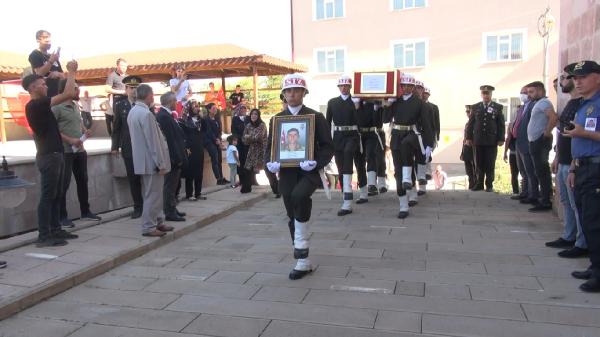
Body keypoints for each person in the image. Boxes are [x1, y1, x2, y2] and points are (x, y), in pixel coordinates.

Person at [266, 73, 334, 280]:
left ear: (304, 93)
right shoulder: (276, 119)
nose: (292, 94)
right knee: (290, 208)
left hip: (309, 171)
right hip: (286, 173)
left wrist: (317, 162)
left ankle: (302, 256)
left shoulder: (316, 117)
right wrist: (270, 163)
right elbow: (270, 148)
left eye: (296, 90)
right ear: (283, 95)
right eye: (288, 91)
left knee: (299, 197)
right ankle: (302, 258)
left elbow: (327, 146)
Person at [23, 60, 80, 247]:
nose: (45, 86)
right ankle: (44, 235)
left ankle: (55, 229)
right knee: (48, 195)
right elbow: (69, 93)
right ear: (32, 87)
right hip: (48, 156)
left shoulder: (42, 105)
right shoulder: (35, 105)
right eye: (42, 84)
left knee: (56, 194)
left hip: (55, 154)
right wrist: (71, 72)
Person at [563, 60, 600, 292]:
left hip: (597, 169)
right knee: (587, 221)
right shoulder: (583, 104)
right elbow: (578, 141)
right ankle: (595, 266)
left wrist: (583, 132)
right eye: (575, 78)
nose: (577, 81)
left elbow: (585, 135)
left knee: (595, 223)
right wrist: (574, 168)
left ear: (597, 77)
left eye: (583, 77)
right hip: (583, 168)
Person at [545, 72, 587, 258]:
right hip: (563, 160)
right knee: (565, 202)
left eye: (565, 78)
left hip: (574, 161)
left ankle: (582, 243)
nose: (561, 82)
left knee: (576, 204)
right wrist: (556, 157)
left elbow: (580, 138)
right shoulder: (571, 103)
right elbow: (562, 134)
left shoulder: (583, 104)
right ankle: (569, 236)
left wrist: (572, 163)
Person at [383, 73, 434, 219]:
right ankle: (403, 206)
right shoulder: (396, 101)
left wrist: (429, 144)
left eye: (409, 86)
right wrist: (388, 104)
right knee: (398, 171)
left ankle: (408, 179)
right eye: (403, 86)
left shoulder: (420, 104)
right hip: (397, 135)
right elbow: (386, 119)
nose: (406, 88)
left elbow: (427, 125)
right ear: (400, 87)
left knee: (406, 146)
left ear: (413, 88)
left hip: (412, 134)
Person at [52, 79, 101, 228]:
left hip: (80, 150)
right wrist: (70, 140)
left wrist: (84, 131)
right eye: (75, 88)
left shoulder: (75, 106)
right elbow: (53, 131)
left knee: (83, 180)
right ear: (66, 89)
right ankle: (62, 216)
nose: (78, 91)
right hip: (65, 152)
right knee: (64, 184)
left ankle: (85, 211)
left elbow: (78, 123)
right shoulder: (56, 108)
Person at [127, 84, 173, 237]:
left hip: (143, 161)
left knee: (154, 193)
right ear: (148, 95)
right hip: (151, 162)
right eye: (152, 95)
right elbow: (153, 142)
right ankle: (148, 226)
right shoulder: (145, 114)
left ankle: (158, 221)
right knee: (152, 195)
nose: (153, 98)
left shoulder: (133, 112)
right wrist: (160, 163)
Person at [326, 75, 360, 215]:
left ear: (350, 87)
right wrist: (326, 140)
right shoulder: (333, 102)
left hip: (352, 136)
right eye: (342, 86)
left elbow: (361, 121)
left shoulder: (356, 101)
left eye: (346, 86)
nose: (344, 88)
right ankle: (345, 192)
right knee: (340, 166)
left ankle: (347, 201)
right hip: (338, 137)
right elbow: (328, 122)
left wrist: (357, 107)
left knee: (347, 160)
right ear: (339, 87)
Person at [111, 75, 144, 218]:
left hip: (143, 147)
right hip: (129, 147)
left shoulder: (143, 105)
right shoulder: (120, 106)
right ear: (126, 89)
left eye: (136, 88)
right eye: (131, 88)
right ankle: (138, 207)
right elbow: (117, 127)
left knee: (146, 177)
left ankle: (149, 206)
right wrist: (114, 146)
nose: (134, 91)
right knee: (133, 178)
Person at [465, 85, 505, 192]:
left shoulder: (498, 107)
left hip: (491, 141)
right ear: (481, 94)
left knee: (490, 163)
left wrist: (501, 138)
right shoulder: (476, 107)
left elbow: (501, 124)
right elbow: (471, 123)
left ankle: (489, 185)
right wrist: (468, 137)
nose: (486, 95)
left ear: (491, 95)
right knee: (479, 162)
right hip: (478, 140)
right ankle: (479, 183)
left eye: (488, 94)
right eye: (484, 93)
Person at [155, 92, 188, 222]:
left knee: (174, 185)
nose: (177, 103)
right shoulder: (163, 116)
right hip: (171, 157)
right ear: (170, 101)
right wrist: (176, 158)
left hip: (175, 155)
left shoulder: (168, 115)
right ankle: (169, 211)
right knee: (170, 185)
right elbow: (169, 140)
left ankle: (173, 208)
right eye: (175, 100)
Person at [526, 81, 557, 212]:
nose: (529, 95)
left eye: (531, 92)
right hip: (535, 141)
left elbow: (553, 118)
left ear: (540, 90)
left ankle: (545, 201)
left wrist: (547, 131)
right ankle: (543, 198)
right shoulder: (538, 103)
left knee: (542, 171)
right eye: (528, 92)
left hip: (540, 141)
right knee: (539, 171)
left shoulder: (544, 102)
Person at [355, 99, 385, 198]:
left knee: (371, 155)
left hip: (372, 133)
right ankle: (363, 189)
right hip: (359, 135)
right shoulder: (356, 103)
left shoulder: (375, 103)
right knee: (359, 162)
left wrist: (376, 108)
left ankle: (372, 184)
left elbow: (378, 122)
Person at [180, 100, 207, 201]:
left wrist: (202, 118)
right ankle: (189, 194)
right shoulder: (185, 120)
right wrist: (186, 147)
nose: (197, 108)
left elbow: (205, 131)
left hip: (199, 147)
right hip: (190, 148)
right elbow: (183, 135)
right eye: (194, 106)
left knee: (199, 171)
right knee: (190, 172)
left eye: (197, 106)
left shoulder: (201, 120)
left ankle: (198, 193)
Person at [28, 30, 64, 98]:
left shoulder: (52, 56)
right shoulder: (35, 54)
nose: (49, 41)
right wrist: (51, 61)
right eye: (45, 38)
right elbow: (39, 73)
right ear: (38, 40)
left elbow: (63, 75)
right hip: (45, 96)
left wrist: (58, 74)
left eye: (49, 39)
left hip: (58, 95)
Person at [241, 108, 268, 193]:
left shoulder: (262, 125)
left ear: (258, 116)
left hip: (261, 150)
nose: (253, 116)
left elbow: (259, 137)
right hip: (252, 150)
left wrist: (249, 137)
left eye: (255, 114)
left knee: (267, 170)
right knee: (247, 169)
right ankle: (246, 188)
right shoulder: (248, 125)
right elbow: (244, 139)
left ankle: (276, 188)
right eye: (252, 114)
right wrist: (249, 138)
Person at [204, 103, 228, 185]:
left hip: (217, 140)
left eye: (216, 108)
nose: (215, 110)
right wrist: (215, 140)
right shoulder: (206, 119)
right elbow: (209, 132)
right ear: (209, 110)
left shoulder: (217, 119)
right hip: (209, 141)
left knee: (219, 160)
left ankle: (221, 177)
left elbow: (219, 131)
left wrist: (219, 139)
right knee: (215, 158)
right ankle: (218, 179)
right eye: (213, 108)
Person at [231, 105, 249, 192]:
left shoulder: (248, 118)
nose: (243, 110)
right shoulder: (235, 119)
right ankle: (241, 180)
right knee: (240, 161)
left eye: (244, 109)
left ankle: (250, 180)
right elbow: (233, 131)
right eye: (241, 109)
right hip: (239, 144)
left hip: (247, 143)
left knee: (248, 161)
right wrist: (239, 138)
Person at [461, 105, 476, 190]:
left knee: (474, 167)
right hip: (466, 148)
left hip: (473, 147)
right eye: (467, 112)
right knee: (468, 168)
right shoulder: (467, 123)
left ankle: (474, 184)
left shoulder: (476, 122)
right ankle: (471, 184)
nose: (468, 114)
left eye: (469, 112)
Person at [503, 121, 520, 196]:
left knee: (514, 173)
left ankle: (515, 192)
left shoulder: (512, 124)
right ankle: (524, 191)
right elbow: (508, 138)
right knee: (524, 173)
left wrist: (505, 152)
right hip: (520, 151)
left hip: (513, 152)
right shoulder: (523, 122)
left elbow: (508, 138)